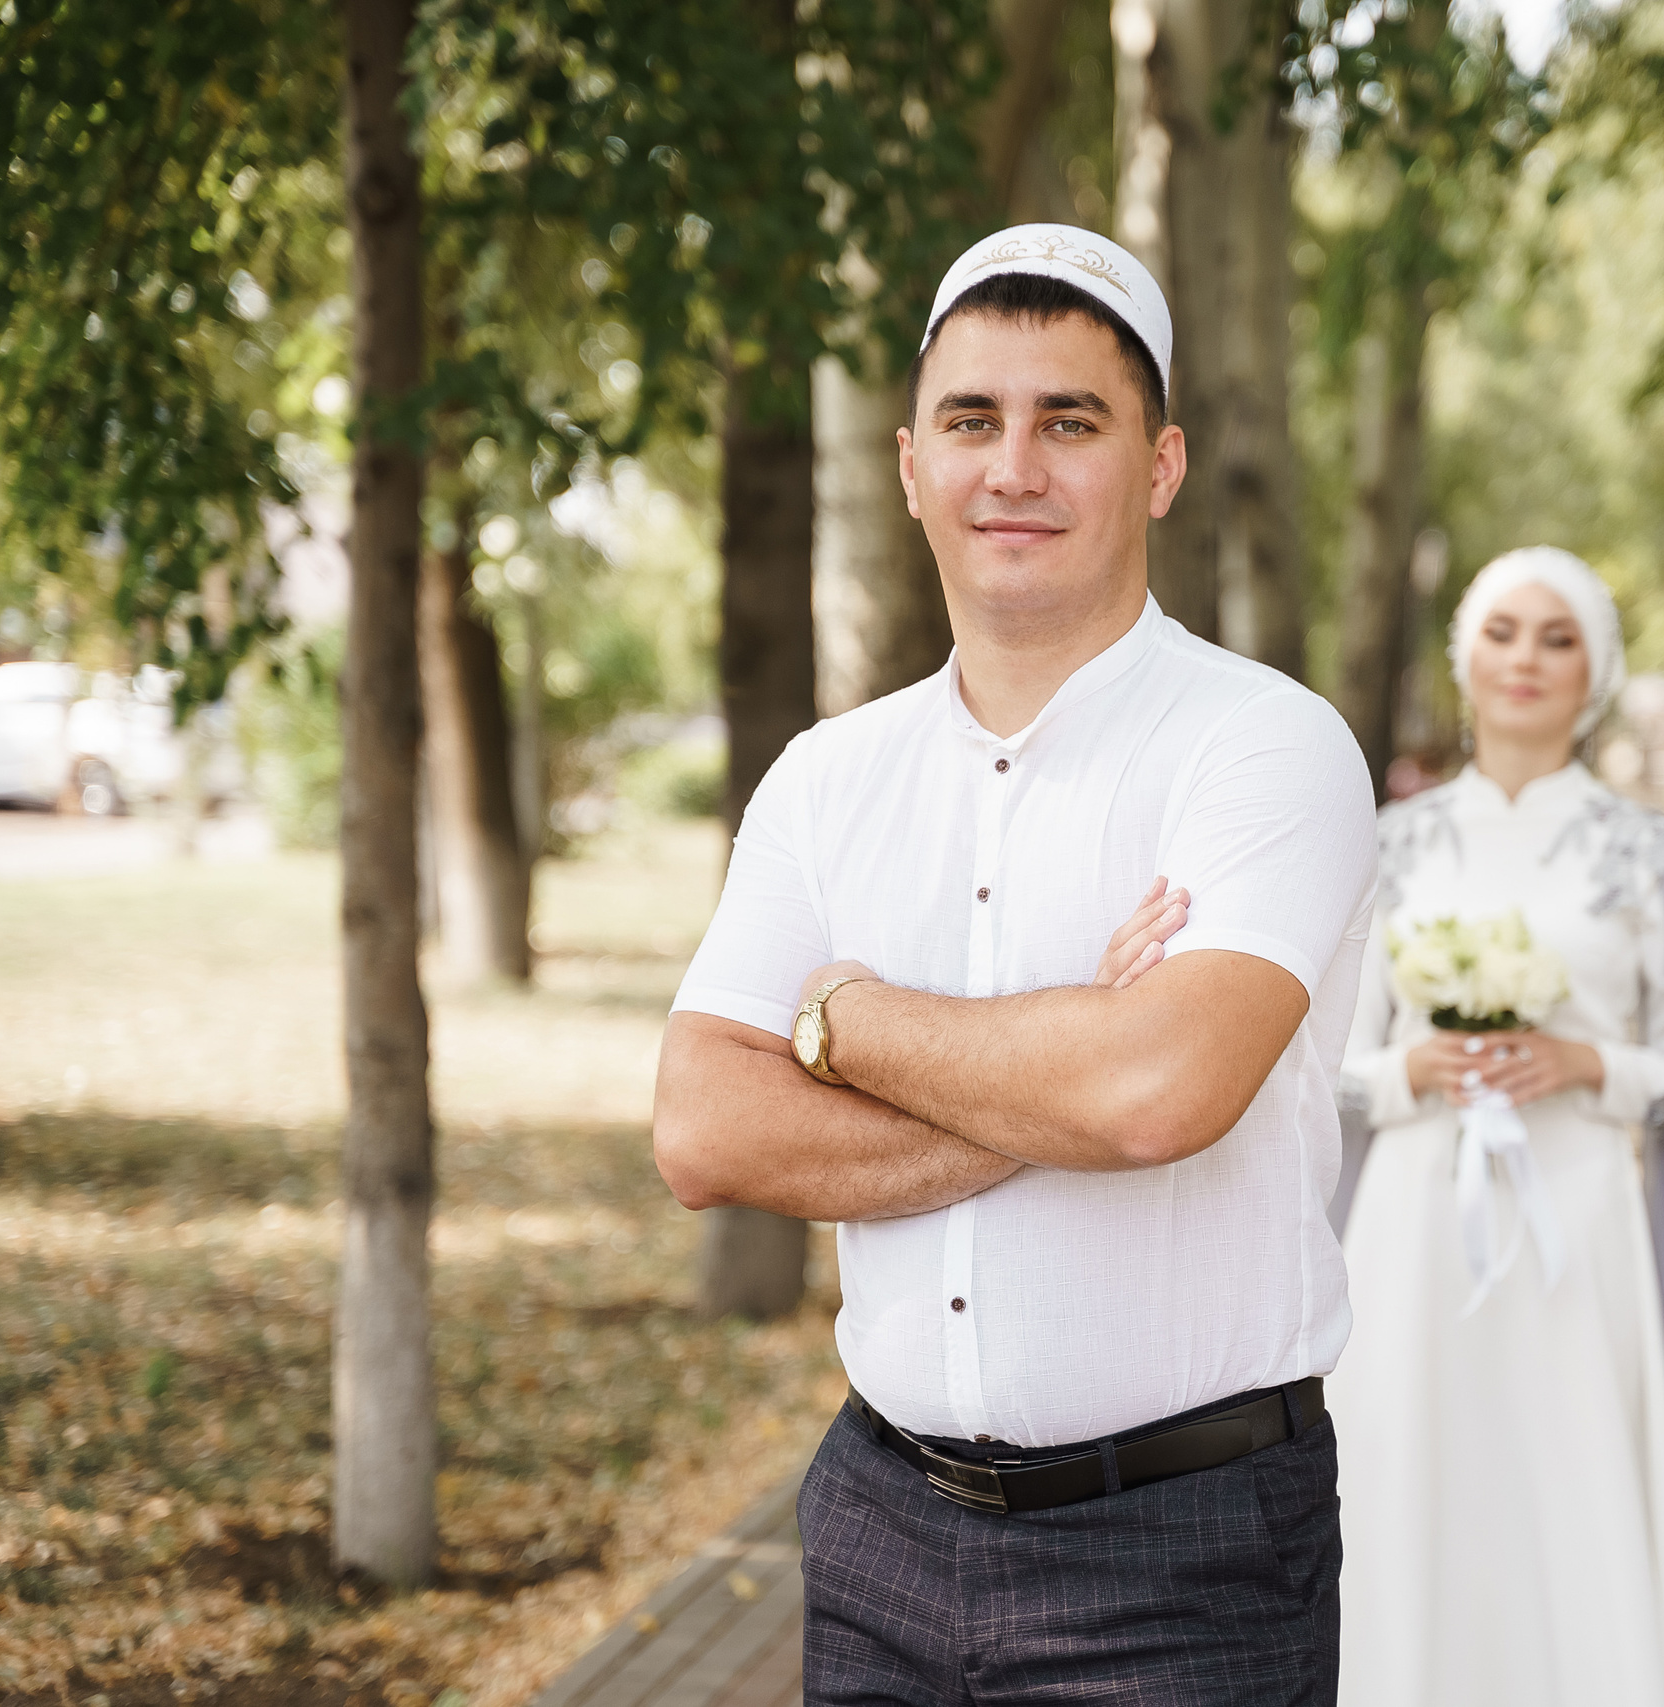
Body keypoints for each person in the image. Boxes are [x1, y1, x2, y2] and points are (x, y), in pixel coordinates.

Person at [651, 223, 1377, 1706]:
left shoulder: (1267, 746)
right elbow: (704, 1129)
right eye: (973, 419)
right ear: (914, 463)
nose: (1015, 467)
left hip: (1184, 1559)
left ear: (1160, 466)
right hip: (877, 1530)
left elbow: (1157, 1096)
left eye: (1072, 421)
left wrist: (840, 1020)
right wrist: (1059, 1061)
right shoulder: (824, 777)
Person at [1327, 548, 1664, 1707]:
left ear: (1594, 671)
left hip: (1584, 1230)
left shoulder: (1645, 855)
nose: (1526, 660)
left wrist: (1581, 1061)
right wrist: (1420, 1066)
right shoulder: (1388, 846)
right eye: (1504, 632)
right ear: (1465, 658)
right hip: (1412, 1234)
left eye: (1558, 639)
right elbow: (1335, 1069)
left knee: (1576, 1482)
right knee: (1412, 1484)